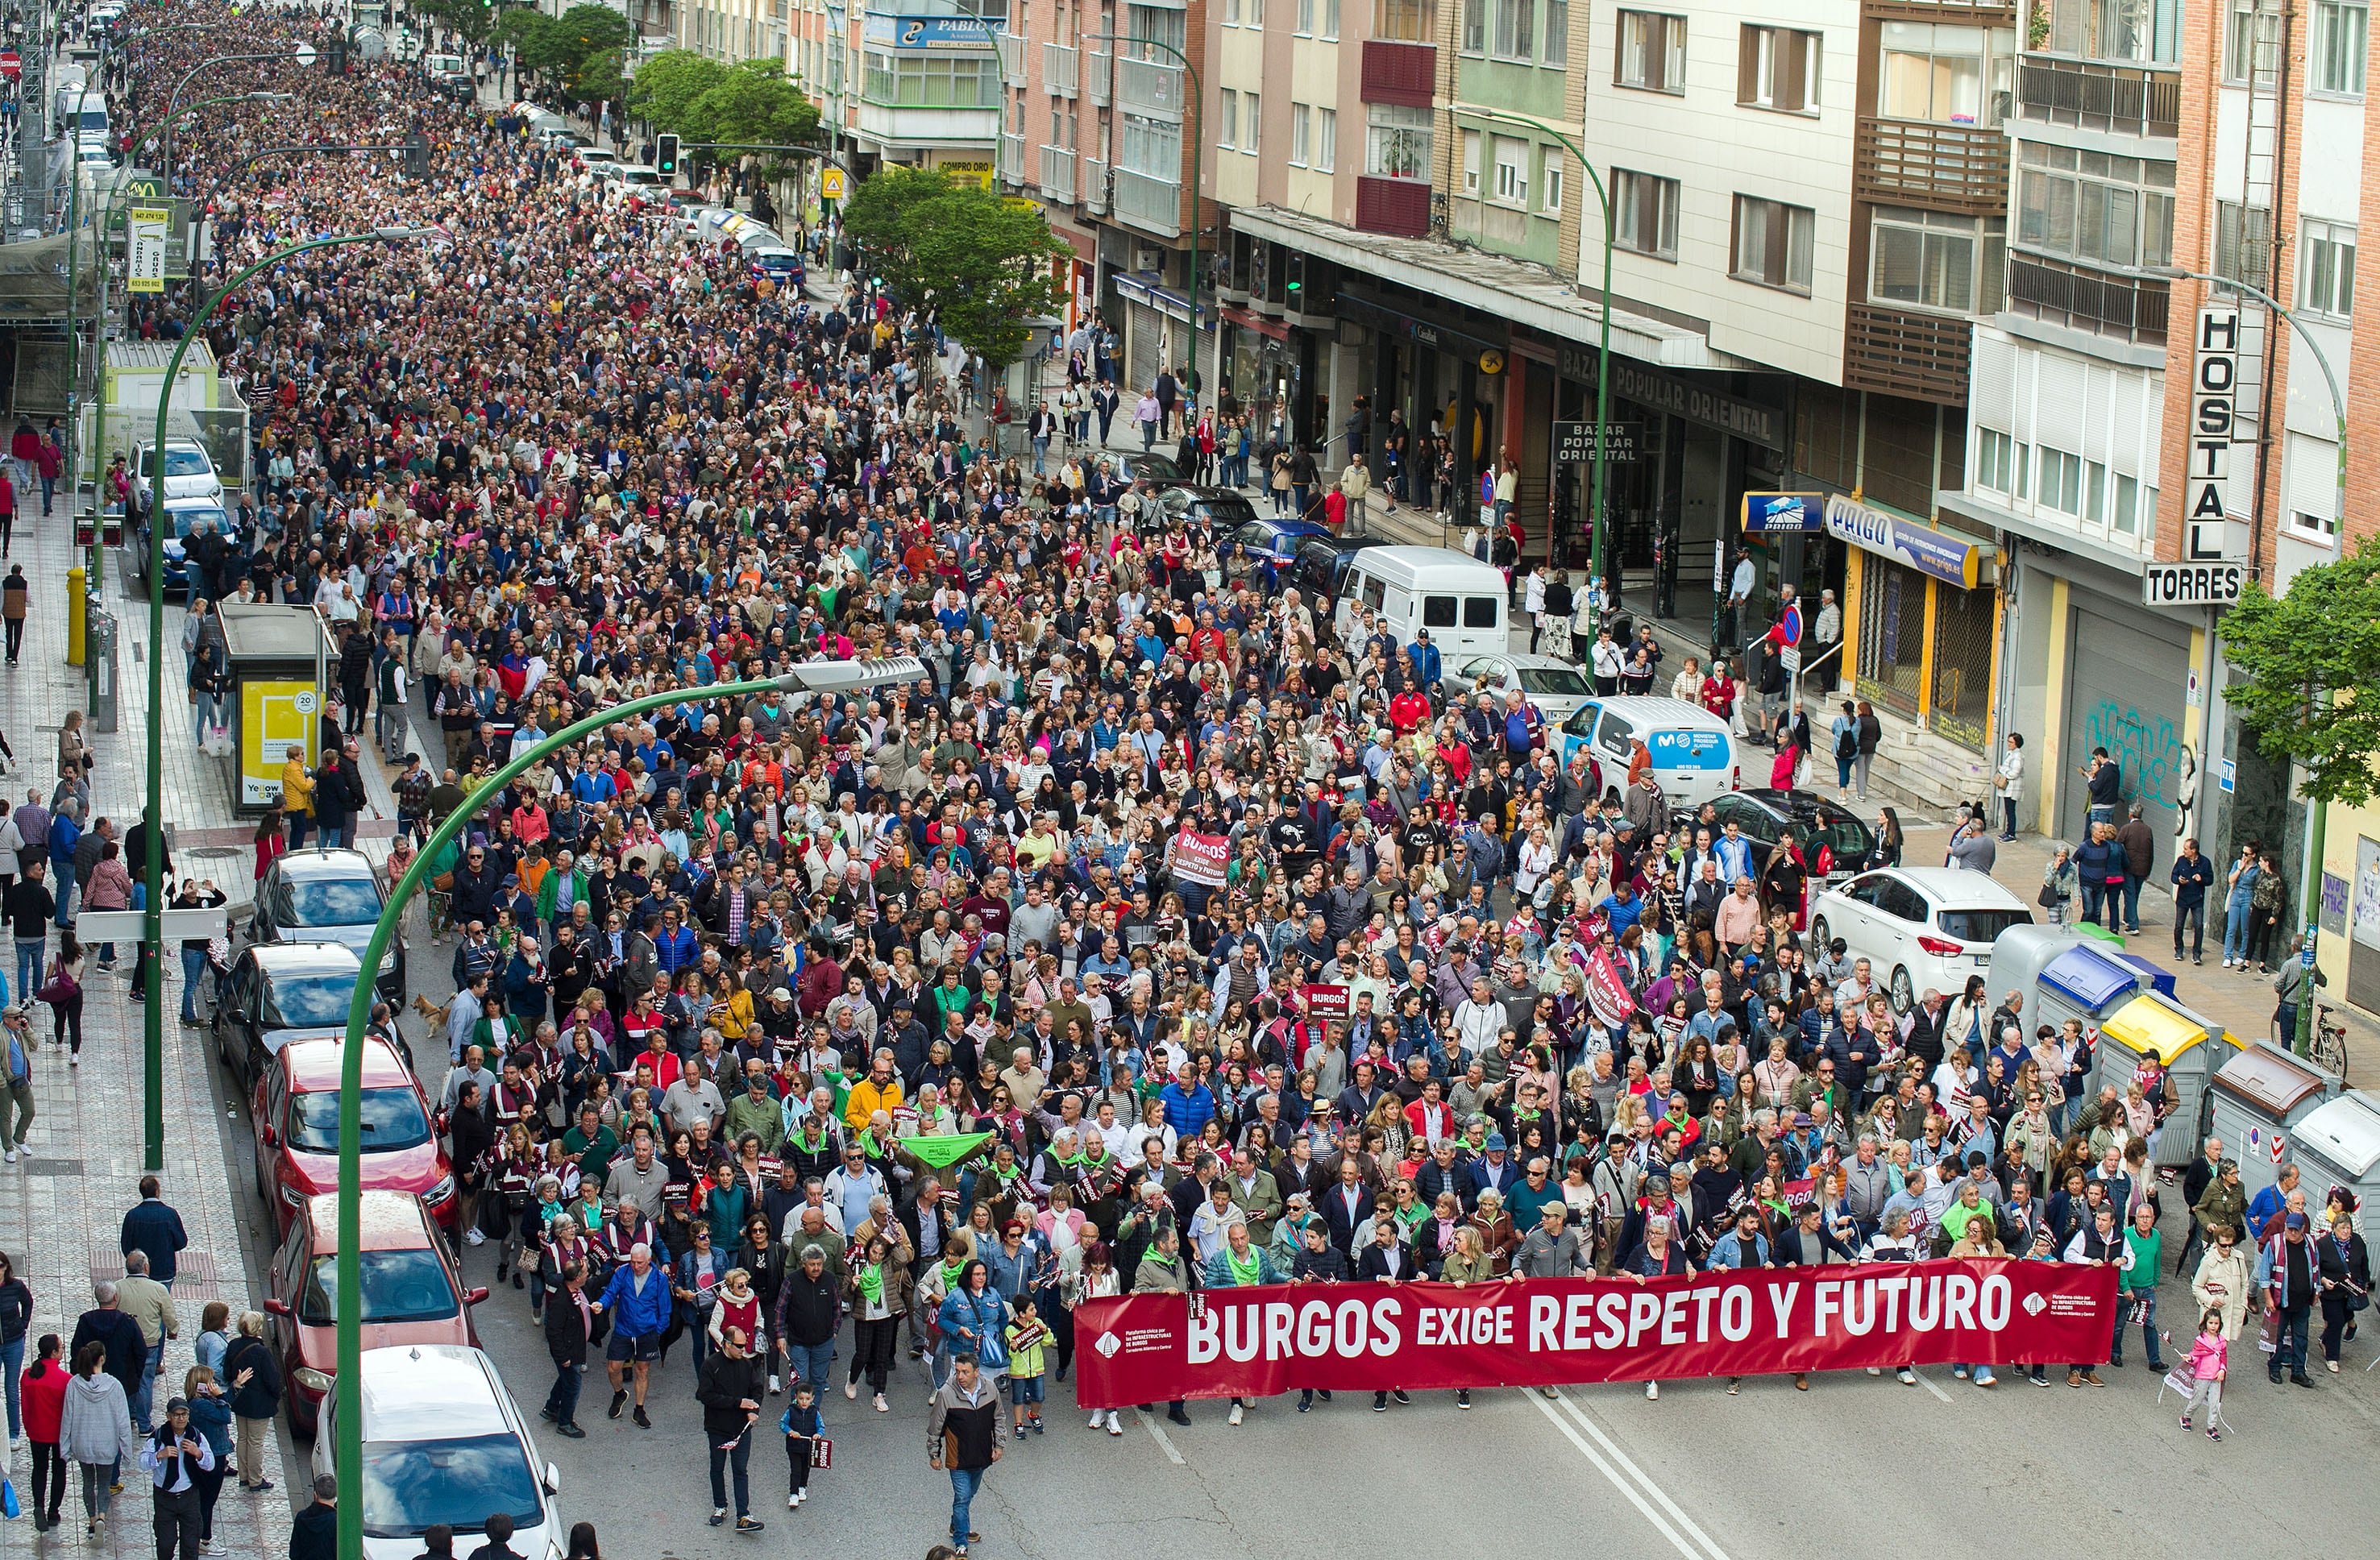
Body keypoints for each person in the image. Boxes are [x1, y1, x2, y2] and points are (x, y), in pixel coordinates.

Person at [927, 1351, 1004, 1558]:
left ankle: (957, 1524)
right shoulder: (946, 1393)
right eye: (958, 1371)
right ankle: (961, 1541)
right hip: (958, 1459)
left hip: (981, 1456)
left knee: (970, 1494)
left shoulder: (990, 1389)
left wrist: (999, 1445)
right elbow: (935, 1427)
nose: (960, 1376)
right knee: (962, 1497)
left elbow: (999, 1418)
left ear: (976, 1372)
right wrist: (934, 1454)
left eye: (965, 1372)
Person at [60, 1339, 136, 1541]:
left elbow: (67, 1417)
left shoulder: (74, 1384)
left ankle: (92, 1521)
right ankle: (102, 1516)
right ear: (102, 1358)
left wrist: (65, 1447)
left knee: (87, 1482)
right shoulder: (114, 1386)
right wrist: (126, 1449)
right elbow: (122, 1420)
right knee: (104, 1484)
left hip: (82, 1442)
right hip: (106, 1443)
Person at [695, 1324, 767, 1533]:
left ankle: (743, 1515)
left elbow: (757, 1390)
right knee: (717, 1468)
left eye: (744, 1346)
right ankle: (720, 1506)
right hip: (718, 1427)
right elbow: (705, 1396)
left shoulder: (746, 1365)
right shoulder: (711, 1365)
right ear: (726, 1344)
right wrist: (738, 1403)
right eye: (739, 1346)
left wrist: (755, 1409)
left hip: (742, 1429)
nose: (743, 1350)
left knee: (740, 1470)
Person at [593, 1242, 670, 1426]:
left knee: (642, 1370)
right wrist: (601, 1304)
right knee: (613, 1368)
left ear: (649, 1261)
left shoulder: (660, 1279)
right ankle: (619, 1394)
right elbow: (611, 1293)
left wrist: (656, 1331)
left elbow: (665, 1311)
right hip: (624, 1329)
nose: (636, 1266)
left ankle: (639, 1409)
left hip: (647, 1332)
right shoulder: (622, 1272)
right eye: (633, 1262)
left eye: (640, 1263)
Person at [139, 1393, 217, 1560]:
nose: (181, 1419)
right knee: (166, 1543)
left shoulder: (196, 1436)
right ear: (169, 1416)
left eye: (184, 1415)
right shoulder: (159, 1437)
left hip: (189, 1496)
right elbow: (142, 1462)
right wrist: (159, 1455)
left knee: (190, 1545)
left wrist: (198, 1453)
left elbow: (210, 1464)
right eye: (177, 1415)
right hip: (164, 1497)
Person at [2254, 1210, 2320, 1388]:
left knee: (2301, 1338)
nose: (2292, 1233)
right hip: (2280, 1302)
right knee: (2278, 1337)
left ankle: (2298, 1372)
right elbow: (2265, 1274)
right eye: (2289, 1229)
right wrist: (2268, 1298)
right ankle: (2274, 1367)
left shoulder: (2311, 1244)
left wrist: (2317, 1292)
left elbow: (2316, 1269)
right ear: (2285, 1227)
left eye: (2296, 1230)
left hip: (2302, 1302)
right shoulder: (2275, 1244)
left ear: (2303, 1229)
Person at [220, 1311, 280, 1491]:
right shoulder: (261, 1352)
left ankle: (244, 1476)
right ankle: (255, 1480)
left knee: (243, 1438)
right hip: (259, 1405)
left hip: (240, 1401)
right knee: (255, 1442)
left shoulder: (233, 1345)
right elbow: (273, 1381)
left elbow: (227, 1373)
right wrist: (276, 1396)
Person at [21, 1332, 70, 1532]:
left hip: (37, 1431)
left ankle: (38, 1506)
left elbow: (25, 1406)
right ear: (53, 1352)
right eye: (60, 1346)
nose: (63, 1349)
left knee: (39, 1469)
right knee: (59, 1471)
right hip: (58, 1433)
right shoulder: (65, 1380)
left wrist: (28, 1426)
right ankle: (53, 1512)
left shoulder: (29, 1375)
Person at [541, 1259, 595, 1438]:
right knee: (573, 1386)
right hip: (569, 1352)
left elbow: (598, 1282)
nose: (588, 1274)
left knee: (565, 1378)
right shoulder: (561, 1302)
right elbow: (553, 1332)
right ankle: (565, 1422)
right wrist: (563, 1357)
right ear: (578, 1278)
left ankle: (552, 1407)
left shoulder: (576, 1290)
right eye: (586, 1272)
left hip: (575, 1347)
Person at [2315, 1212, 2371, 1373]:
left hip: (2352, 1291)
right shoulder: (2323, 1244)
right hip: (2332, 1292)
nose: (2346, 1231)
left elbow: (2364, 1263)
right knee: (2337, 1321)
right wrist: (2324, 1280)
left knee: (2345, 1317)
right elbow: (2315, 1269)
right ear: (2334, 1229)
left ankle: (2325, 1340)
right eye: (2342, 1228)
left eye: (2348, 1228)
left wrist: (2364, 1283)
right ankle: (2332, 1357)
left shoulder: (2358, 1241)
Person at [2179, 1307, 2228, 1442]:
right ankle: (2186, 1416)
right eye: (2211, 1323)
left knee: (2214, 1403)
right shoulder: (2201, 1340)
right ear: (2205, 1323)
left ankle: (2211, 1427)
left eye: (2216, 1323)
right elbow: (2196, 1355)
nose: (2213, 1326)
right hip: (2202, 1376)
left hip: (2216, 1377)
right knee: (2197, 1400)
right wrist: (2189, 1358)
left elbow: (2224, 1358)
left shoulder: (2222, 1341)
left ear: (2220, 1324)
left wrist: (2222, 1370)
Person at [780, 1380, 824, 1509]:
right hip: (794, 1446)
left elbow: (821, 1426)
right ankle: (793, 1494)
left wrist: (818, 1434)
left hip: (809, 1446)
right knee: (796, 1470)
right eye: (801, 1399)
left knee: (806, 1468)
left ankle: (802, 1487)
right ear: (796, 1397)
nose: (804, 1402)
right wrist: (790, 1431)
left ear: (812, 1399)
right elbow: (782, 1424)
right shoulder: (791, 1410)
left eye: (807, 1399)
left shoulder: (815, 1412)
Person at [289, 1475, 339, 1560]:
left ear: (315, 1494)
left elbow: (294, 1553)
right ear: (336, 1495)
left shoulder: (301, 1517)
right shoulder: (337, 1522)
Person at [1994, 733, 2024, 840]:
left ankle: (2011, 833)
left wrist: (2002, 770)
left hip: (2013, 788)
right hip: (2009, 788)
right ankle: (2008, 831)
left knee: (2011, 810)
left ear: (2017, 743)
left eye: (2011, 742)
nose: (2009, 744)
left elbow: (2014, 773)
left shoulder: (2018, 756)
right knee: (2008, 810)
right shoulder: (2011, 754)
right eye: (2008, 741)